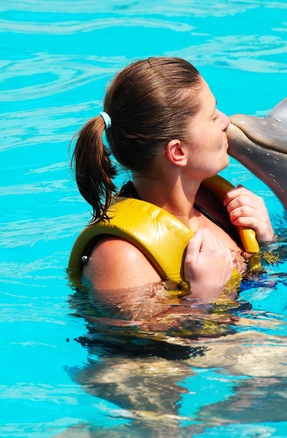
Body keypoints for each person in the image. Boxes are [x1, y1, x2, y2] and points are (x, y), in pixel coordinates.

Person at [69, 57, 274, 324]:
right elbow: (136, 357)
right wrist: (204, 296)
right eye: (213, 116)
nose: (226, 121)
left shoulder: (215, 204)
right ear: (178, 151)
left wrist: (268, 239)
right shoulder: (121, 257)